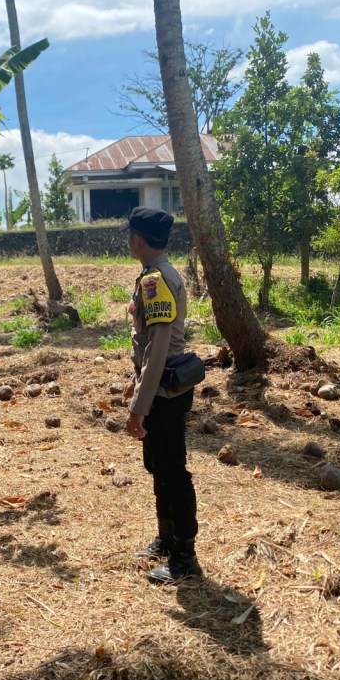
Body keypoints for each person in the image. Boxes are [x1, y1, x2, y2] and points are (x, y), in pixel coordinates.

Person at [121, 207, 202, 582]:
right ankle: (167, 539)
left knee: (172, 472)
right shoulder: (154, 275)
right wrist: (134, 381)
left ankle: (185, 557)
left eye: (129, 235)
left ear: (137, 239)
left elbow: (159, 347)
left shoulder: (156, 280)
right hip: (156, 386)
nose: (128, 241)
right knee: (157, 466)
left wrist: (140, 404)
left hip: (164, 393)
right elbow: (148, 344)